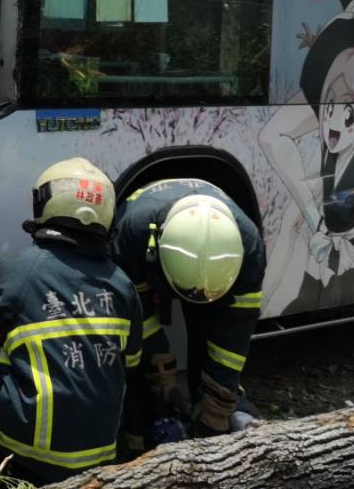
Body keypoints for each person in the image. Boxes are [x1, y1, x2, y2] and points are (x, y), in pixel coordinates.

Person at [0, 158, 139, 483]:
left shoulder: (16, 272)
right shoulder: (123, 285)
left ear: (45, 203)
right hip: (101, 451)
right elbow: (132, 364)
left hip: (28, 451)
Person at [110, 178, 265, 448]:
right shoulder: (130, 233)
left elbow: (234, 333)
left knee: (208, 341)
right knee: (139, 374)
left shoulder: (249, 248)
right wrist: (161, 372)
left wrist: (218, 402)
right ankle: (136, 442)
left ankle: (210, 415)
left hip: (205, 274)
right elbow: (137, 315)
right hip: (144, 258)